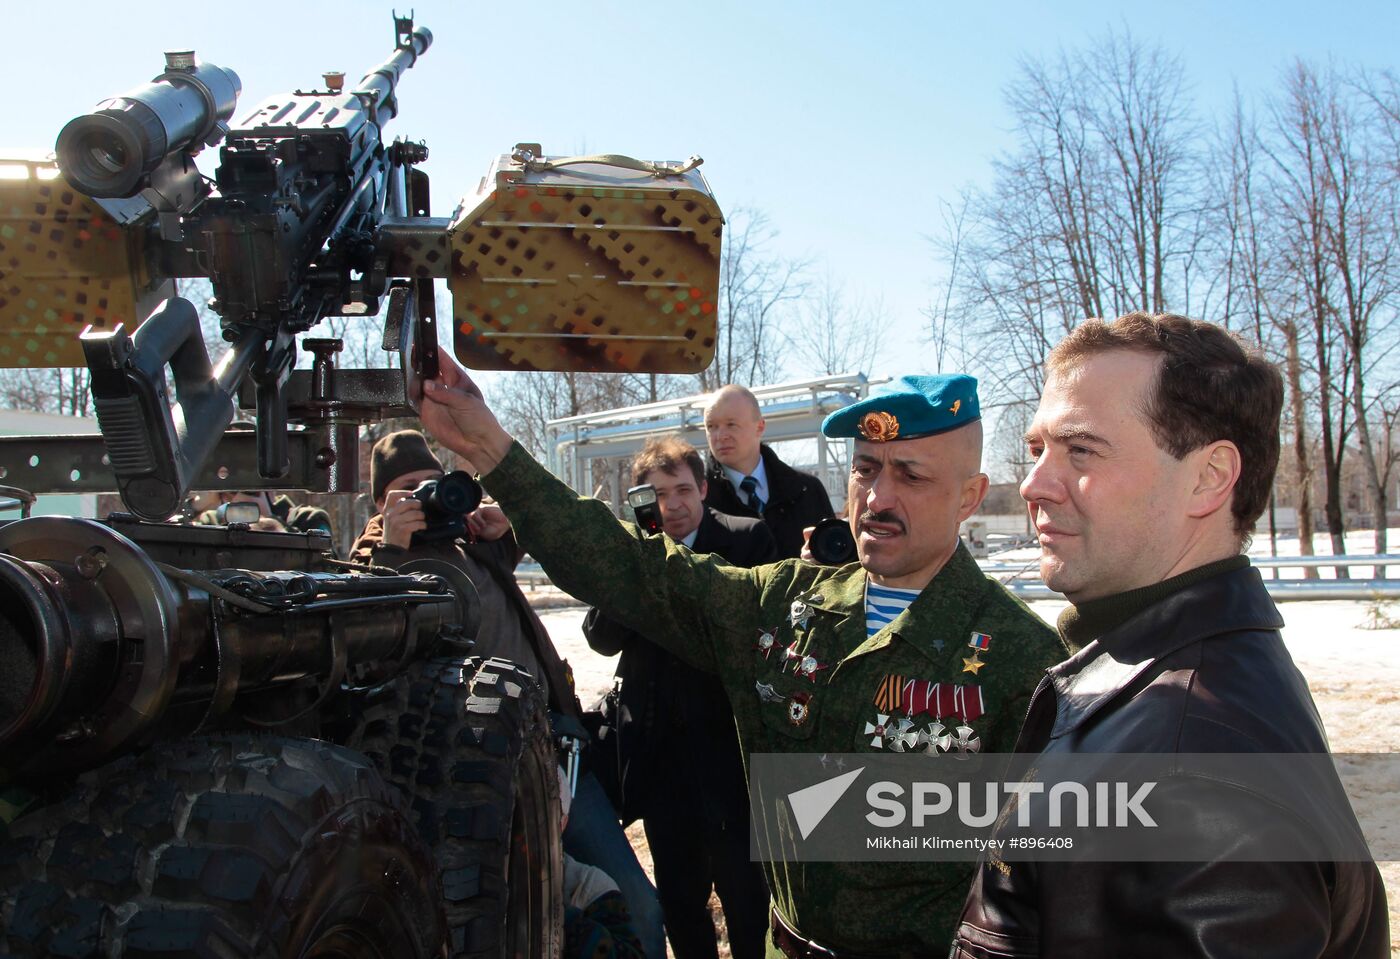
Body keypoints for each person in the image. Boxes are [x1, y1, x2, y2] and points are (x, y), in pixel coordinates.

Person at [418, 366, 1069, 954]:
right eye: (866, 468)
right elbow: (627, 568)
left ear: (970, 495)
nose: (876, 496)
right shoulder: (786, 600)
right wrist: (493, 452)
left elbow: (1048, 896)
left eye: (912, 474)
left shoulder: (1019, 658)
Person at [951, 313, 1390, 957]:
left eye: (1081, 450)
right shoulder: (1187, 677)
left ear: (1210, 477)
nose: (1034, 484)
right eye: (1039, 448)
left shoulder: (1188, 774)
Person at [352, 429, 667, 958]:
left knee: (638, 902)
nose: (429, 498)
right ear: (383, 501)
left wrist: (507, 520)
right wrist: (390, 550)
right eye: (411, 490)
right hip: (475, 772)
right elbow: (364, 646)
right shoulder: (377, 554)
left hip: (557, 750)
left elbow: (544, 530)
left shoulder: (471, 539)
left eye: (436, 483)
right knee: (521, 923)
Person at [583, 435, 777, 959]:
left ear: (704, 489)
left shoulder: (747, 540)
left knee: (748, 905)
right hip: (662, 764)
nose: (672, 505)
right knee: (682, 907)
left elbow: (759, 634)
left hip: (733, 762)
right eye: (657, 493)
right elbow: (600, 638)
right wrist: (637, 560)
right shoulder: (633, 550)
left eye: (682, 489)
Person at [702, 384, 834, 558]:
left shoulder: (807, 490)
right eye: (711, 426)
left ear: (760, 427)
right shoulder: (698, 500)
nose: (720, 436)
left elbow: (839, 565)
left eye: (731, 424)